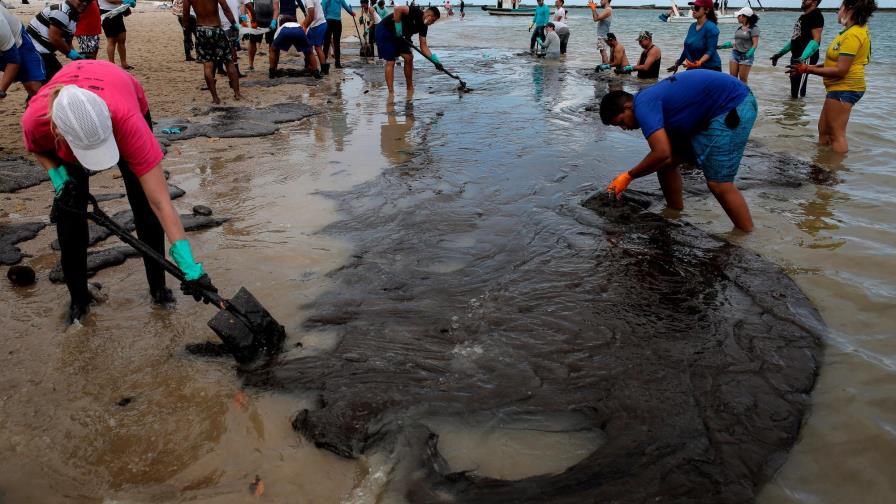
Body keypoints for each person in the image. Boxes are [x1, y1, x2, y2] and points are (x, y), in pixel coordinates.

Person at [20, 60, 218, 324]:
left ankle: (158, 289)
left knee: (144, 206)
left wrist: (188, 263)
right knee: (70, 214)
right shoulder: (37, 120)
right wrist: (58, 176)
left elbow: (160, 202)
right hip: (71, 126)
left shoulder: (128, 122)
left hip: (118, 90)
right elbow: (37, 148)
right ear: (56, 131)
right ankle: (78, 300)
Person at [600, 70, 757, 232]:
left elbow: (661, 152)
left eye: (621, 122)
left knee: (719, 183)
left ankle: (745, 236)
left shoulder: (643, 106)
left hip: (733, 103)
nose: (624, 128)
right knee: (664, 166)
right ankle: (674, 213)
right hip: (707, 112)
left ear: (628, 107)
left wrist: (629, 176)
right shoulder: (646, 101)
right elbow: (664, 158)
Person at [789, 0, 876, 153]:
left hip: (846, 88)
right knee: (823, 130)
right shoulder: (850, 32)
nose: (838, 11)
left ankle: (835, 170)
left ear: (849, 9)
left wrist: (808, 69)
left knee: (836, 134)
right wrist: (810, 67)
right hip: (837, 88)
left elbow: (841, 70)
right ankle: (822, 164)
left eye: (840, 7)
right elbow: (835, 62)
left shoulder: (854, 35)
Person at [184, 0, 242, 103]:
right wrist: (234, 24)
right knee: (228, 61)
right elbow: (225, 8)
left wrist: (186, 33)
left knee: (207, 65)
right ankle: (237, 94)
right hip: (216, 29)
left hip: (201, 30)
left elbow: (185, 14)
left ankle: (215, 98)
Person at [374, 4, 440, 94]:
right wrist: (398, 27)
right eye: (433, 20)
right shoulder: (415, 11)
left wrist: (434, 60)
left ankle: (409, 87)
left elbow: (423, 45)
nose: (432, 23)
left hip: (400, 36)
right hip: (385, 31)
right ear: (429, 16)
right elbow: (397, 9)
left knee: (409, 57)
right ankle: (391, 92)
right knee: (391, 61)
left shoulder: (424, 27)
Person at [770, 0, 823, 98]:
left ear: (814, 2)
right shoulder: (803, 17)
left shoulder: (816, 15)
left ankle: (797, 111)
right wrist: (779, 54)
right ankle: (792, 111)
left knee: (798, 91)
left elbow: (816, 40)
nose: (803, 0)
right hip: (796, 56)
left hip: (806, 57)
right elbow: (795, 39)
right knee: (794, 88)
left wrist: (803, 58)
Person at [26, 0, 88, 82]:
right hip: (33, 50)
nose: (85, 3)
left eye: (89, 1)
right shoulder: (61, 12)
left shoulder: (74, 15)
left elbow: (67, 42)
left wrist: (77, 57)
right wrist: (71, 54)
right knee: (57, 81)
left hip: (42, 52)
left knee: (48, 84)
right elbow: (54, 38)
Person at [1, 3, 45, 99]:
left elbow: (13, 61)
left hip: (18, 43)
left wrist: (1, 90)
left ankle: (40, 110)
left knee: (33, 86)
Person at [668, 0, 720, 73]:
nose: (694, 10)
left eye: (697, 8)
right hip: (693, 67)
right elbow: (687, 47)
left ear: (707, 10)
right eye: (693, 8)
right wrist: (678, 63)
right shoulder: (692, 26)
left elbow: (710, 51)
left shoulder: (711, 28)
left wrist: (699, 62)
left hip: (710, 68)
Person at [717, 7, 759, 83]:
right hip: (735, 54)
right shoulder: (739, 28)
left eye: (738, 16)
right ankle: (733, 95)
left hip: (746, 57)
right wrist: (720, 46)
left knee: (742, 81)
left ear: (744, 17)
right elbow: (736, 43)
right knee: (732, 79)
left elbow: (755, 44)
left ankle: (746, 94)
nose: (737, 17)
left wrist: (748, 54)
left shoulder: (754, 28)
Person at [98, 0, 134, 69]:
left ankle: (124, 63)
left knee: (122, 38)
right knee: (112, 40)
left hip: (117, 11)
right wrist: (124, 1)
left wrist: (126, 7)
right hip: (106, 13)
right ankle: (112, 64)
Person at [322, 0, 354, 70]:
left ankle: (323, 62)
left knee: (326, 42)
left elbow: (323, 8)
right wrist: (352, 13)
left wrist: (324, 19)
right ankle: (337, 63)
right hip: (337, 22)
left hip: (328, 21)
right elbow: (346, 7)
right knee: (337, 43)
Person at [302, 0, 328, 74]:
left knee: (317, 47)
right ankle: (310, 66)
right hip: (315, 25)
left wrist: (305, 27)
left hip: (318, 25)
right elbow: (308, 15)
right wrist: (303, 24)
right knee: (307, 45)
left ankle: (324, 69)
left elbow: (311, 15)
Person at [588, 0, 612, 64]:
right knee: (602, 52)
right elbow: (598, 17)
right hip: (603, 34)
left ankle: (606, 67)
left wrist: (593, 8)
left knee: (603, 53)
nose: (600, 1)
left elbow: (595, 19)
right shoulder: (607, 10)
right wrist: (593, 8)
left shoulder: (608, 10)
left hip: (603, 35)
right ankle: (604, 67)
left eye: (601, 0)